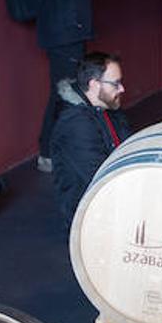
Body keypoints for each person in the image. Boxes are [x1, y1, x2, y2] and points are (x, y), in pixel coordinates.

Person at [24, 0, 137, 173]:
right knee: (64, 91)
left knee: (66, 89)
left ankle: (53, 151)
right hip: (61, 32)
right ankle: (49, 153)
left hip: (70, 30)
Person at [49, 52, 131, 226]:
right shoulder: (75, 124)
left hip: (114, 190)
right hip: (89, 213)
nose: (122, 89)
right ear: (94, 85)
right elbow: (99, 176)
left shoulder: (107, 105)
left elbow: (129, 144)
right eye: (116, 83)